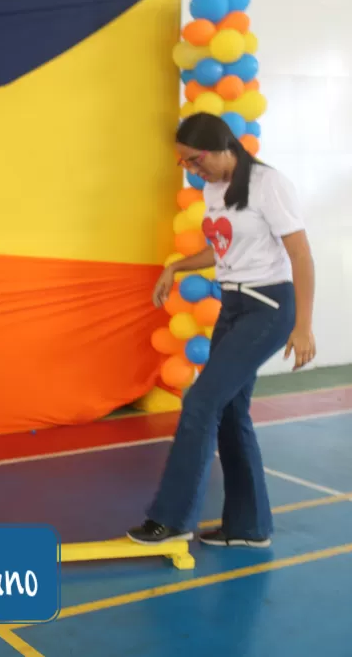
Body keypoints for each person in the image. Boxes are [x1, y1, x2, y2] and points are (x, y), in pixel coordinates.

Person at [127, 113, 316, 547]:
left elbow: (302, 256)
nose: (193, 170)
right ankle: (248, 527)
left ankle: (170, 519)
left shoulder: (269, 184)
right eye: (185, 164)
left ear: (221, 147)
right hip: (233, 305)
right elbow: (223, 248)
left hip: (268, 307)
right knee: (230, 411)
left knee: (201, 400)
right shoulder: (214, 189)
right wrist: (176, 267)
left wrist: (304, 326)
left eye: (195, 160)